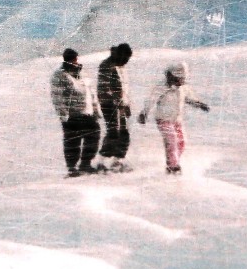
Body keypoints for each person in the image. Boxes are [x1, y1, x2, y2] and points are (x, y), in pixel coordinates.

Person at [138, 61, 209, 175]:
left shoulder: (183, 88)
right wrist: (144, 113)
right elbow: (151, 100)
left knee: (181, 142)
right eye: (177, 78)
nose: (180, 81)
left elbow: (189, 99)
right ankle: (173, 166)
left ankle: (173, 161)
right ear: (170, 75)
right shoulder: (161, 87)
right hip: (163, 119)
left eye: (182, 79)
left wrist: (199, 104)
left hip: (177, 120)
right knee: (172, 140)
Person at [50, 49, 103, 177]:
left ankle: (85, 164)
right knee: (73, 141)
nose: (74, 60)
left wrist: (96, 110)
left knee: (93, 136)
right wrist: (63, 116)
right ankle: (72, 168)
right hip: (72, 114)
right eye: (71, 58)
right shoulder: (60, 75)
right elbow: (57, 97)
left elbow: (91, 93)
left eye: (74, 58)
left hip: (88, 112)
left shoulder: (82, 73)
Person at [97, 43, 135, 172]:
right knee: (113, 133)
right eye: (125, 58)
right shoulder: (106, 65)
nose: (126, 61)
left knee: (124, 133)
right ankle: (101, 162)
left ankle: (117, 161)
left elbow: (124, 87)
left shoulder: (121, 66)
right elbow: (103, 88)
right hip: (109, 104)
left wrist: (126, 104)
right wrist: (115, 101)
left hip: (122, 105)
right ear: (119, 54)